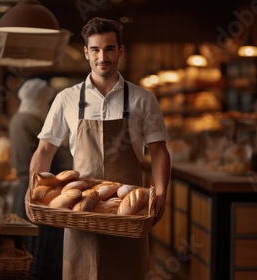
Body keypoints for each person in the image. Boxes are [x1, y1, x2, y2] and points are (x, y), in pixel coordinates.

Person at [26, 17, 171, 279]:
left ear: (120, 51)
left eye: (109, 49)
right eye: (95, 49)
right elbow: (44, 150)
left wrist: (161, 194)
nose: (102, 56)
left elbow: (159, 151)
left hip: (130, 212)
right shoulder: (66, 99)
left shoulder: (143, 99)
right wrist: (32, 191)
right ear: (86, 52)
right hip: (81, 211)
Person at [9, 78, 73, 280]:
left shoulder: (20, 119)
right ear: (39, 101)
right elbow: (47, 157)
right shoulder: (30, 121)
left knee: (33, 248)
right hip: (37, 190)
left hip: (28, 188)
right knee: (37, 251)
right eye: (45, 103)